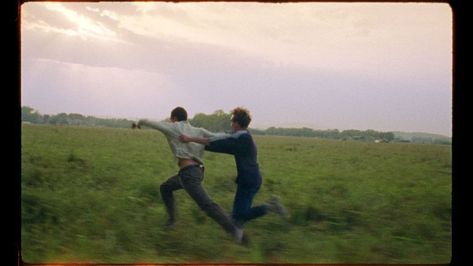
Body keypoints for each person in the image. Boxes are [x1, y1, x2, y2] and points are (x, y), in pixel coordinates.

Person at [132, 107, 248, 244]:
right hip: (196, 172)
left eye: (171, 119)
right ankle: (172, 222)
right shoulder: (198, 130)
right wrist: (237, 133)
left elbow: (151, 123)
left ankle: (237, 233)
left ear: (174, 118)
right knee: (165, 187)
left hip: (189, 175)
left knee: (208, 205)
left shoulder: (173, 127)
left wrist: (139, 123)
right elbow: (217, 136)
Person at [179, 107, 288, 230]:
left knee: (239, 215)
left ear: (236, 123)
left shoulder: (242, 139)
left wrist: (190, 139)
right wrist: (198, 142)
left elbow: (215, 142)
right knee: (237, 215)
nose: (231, 124)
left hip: (249, 181)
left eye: (232, 122)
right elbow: (219, 138)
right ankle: (238, 236)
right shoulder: (243, 135)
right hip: (248, 179)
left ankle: (270, 206)